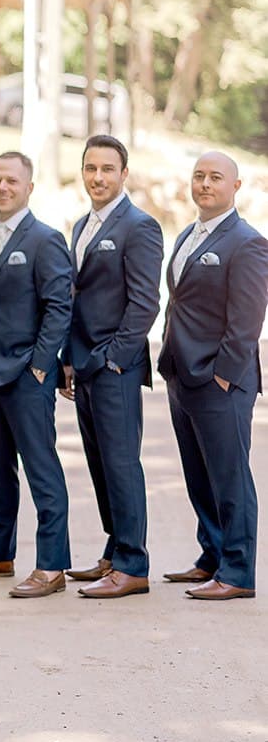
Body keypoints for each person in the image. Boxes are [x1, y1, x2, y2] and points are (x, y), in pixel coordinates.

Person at [0, 151, 72, 598]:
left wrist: (42, 365)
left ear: (29, 187)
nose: (3, 187)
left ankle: (51, 565)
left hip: (26, 374)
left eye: (12, 180)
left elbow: (59, 307)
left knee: (42, 469)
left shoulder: (45, 239)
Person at [158, 150, 268, 600]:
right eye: (199, 175)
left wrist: (222, 376)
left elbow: (247, 322)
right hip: (181, 376)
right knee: (198, 475)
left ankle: (238, 572)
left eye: (215, 177)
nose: (205, 183)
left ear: (235, 187)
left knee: (230, 478)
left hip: (220, 380)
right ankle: (212, 557)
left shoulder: (247, 242)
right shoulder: (189, 234)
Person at [62, 136, 163, 598]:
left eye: (107, 169)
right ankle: (112, 551)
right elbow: (74, 298)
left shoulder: (139, 226)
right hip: (83, 366)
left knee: (121, 465)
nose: (98, 177)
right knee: (100, 465)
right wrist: (68, 358)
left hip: (114, 368)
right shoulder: (81, 225)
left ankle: (133, 564)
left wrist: (113, 361)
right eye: (90, 169)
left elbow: (145, 303)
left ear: (125, 174)